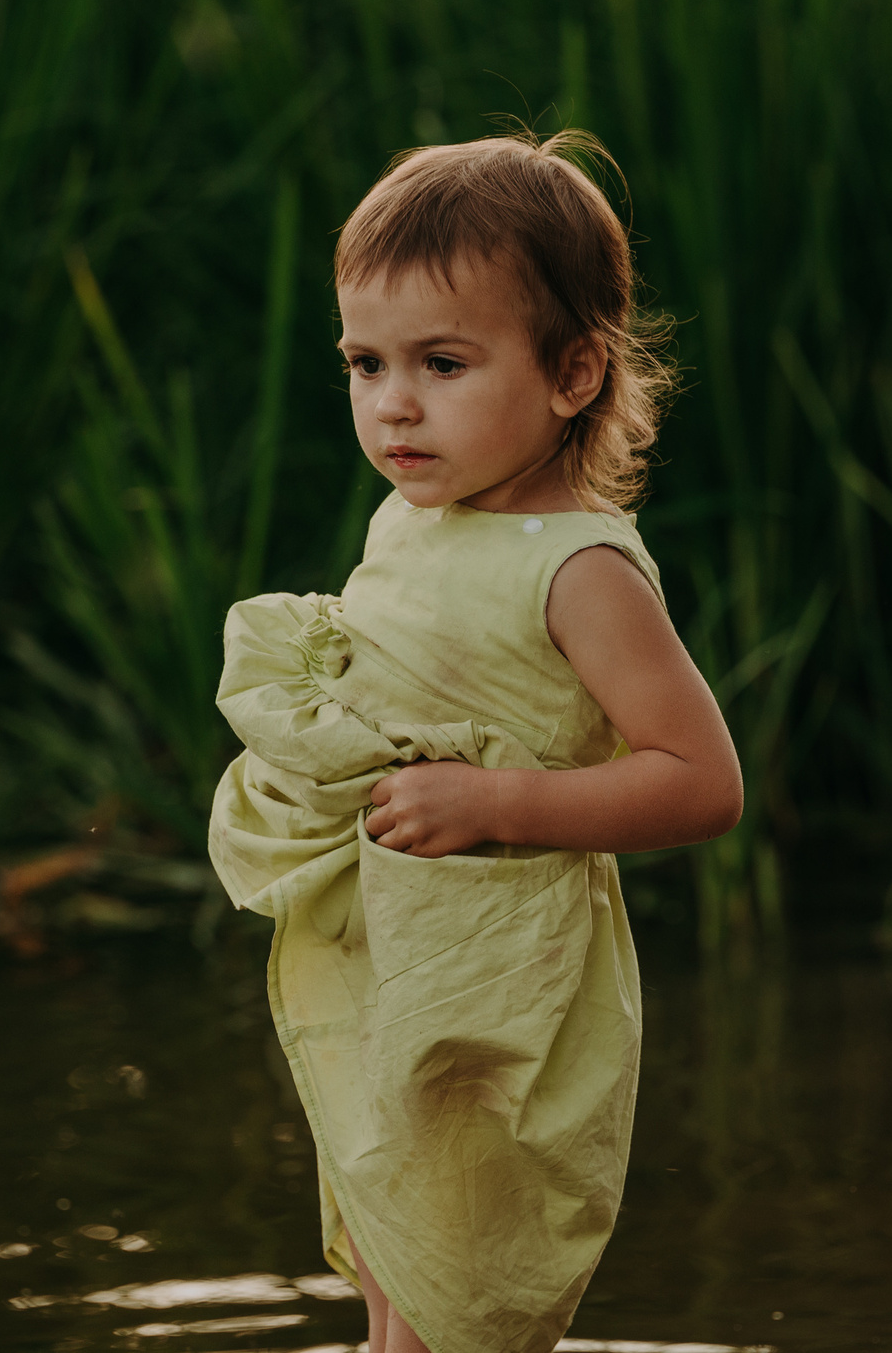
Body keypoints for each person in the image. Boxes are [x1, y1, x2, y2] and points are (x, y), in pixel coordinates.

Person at [207, 130, 744, 1353]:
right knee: (396, 1262)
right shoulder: (415, 511)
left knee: (466, 1279)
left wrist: (498, 801)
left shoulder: (580, 567)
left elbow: (700, 781)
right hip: (393, 955)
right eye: (365, 361)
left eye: (443, 362)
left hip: (499, 982)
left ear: (571, 374)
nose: (393, 401)